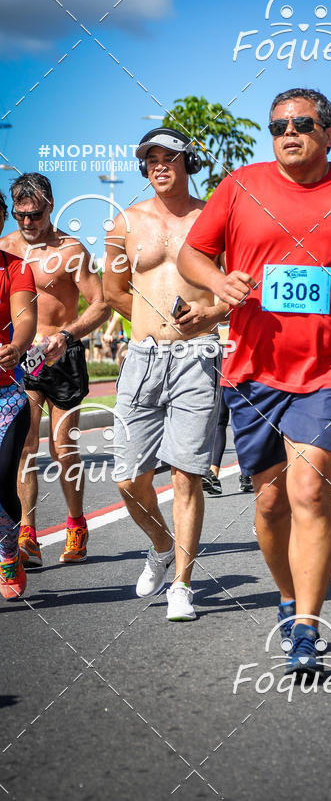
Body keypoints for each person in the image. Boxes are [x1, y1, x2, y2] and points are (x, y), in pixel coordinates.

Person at [178, 87, 331, 672]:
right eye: (279, 124)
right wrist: (218, 282)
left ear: (328, 133)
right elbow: (191, 254)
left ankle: (307, 627)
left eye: (303, 123)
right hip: (256, 369)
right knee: (269, 502)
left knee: (310, 489)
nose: (289, 132)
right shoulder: (239, 187)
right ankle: (286, 595)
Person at [103, 127, 226, 622]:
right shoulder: (124, 223)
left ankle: (181, 584)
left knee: (187, 474)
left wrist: (210, 316)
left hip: (198, 357)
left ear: (186, 162)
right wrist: (152, 324)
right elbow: (112, 291)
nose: (159, 165)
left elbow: (235, 289)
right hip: (143, 357)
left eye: (169, 157)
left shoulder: (213, 216)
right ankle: (160, 545)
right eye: (150, 158)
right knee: (129, 478)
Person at [0, 174, 110, 567]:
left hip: (62, 356)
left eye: (35, 215)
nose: (27, 223)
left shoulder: (70, 249)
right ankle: (27, 534)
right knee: (24, 448)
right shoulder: (5, 248)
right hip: (21, 360)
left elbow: (101, 305)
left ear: (50, 207)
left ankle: (76, 525)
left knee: (62, 448)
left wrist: (66, 334)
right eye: (20, 215)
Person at [0, 192, 37, 599]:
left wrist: (18, 345)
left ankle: (8, 549)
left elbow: (24, 318)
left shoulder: (15, 267)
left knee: (1, 481)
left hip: (5, 395)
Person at [203, 394, 253, 495]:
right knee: (223, 419)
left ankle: (245, 472)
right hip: (227, 380)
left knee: (231, 420)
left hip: (236, 380)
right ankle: (214, 474)